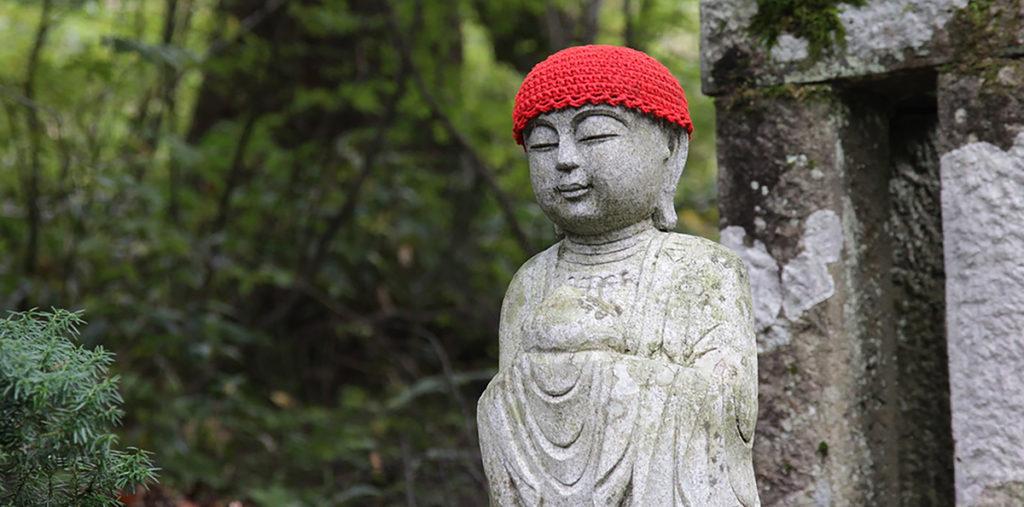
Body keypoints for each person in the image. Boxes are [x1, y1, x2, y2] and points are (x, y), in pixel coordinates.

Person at [477, 45, 759, 506]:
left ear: (671, 149)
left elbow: (727, 409)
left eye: (594, 136)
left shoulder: (701, 270)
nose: (564, 159)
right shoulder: (530, 283)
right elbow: (505, 412)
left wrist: (603, 373)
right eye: (544, 144)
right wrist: (519, 394)